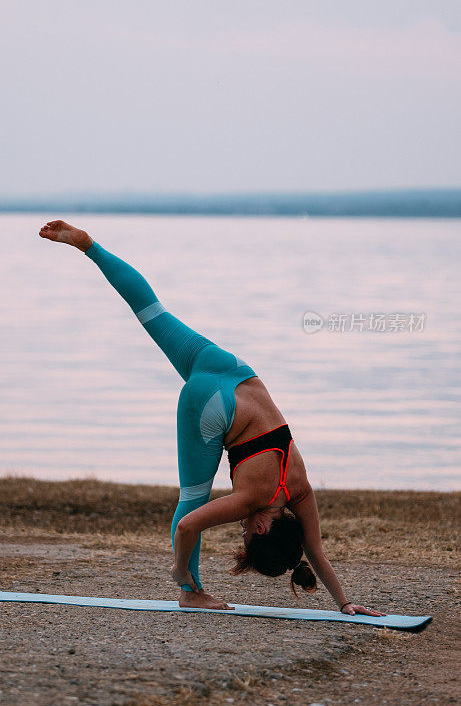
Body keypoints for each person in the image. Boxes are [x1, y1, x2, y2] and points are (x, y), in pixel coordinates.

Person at [39, 220, 384, 616]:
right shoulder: (251, 501)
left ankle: (91, 247)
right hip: (212, 408)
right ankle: (191, 591)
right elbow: (189, 526)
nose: (241, 528)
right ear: (260, 528)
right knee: (192, 501)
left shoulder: (301, 489)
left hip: (234, 371)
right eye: (246, 533)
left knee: (152, 311)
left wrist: (346, 602)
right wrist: (179, 568)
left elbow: (314, 549)